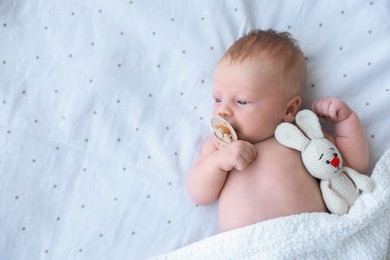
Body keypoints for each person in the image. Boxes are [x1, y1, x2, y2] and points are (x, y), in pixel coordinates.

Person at [186, 29, 369, 232]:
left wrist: (346, 121)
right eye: (218, 99)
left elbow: (352, 164)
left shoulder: (303, 136)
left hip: (307, 235)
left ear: (290, 109)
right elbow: (199, 194)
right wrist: (218, 163)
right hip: (244, 247)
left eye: (242, 101)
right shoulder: (219, 146)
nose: (223, 110)